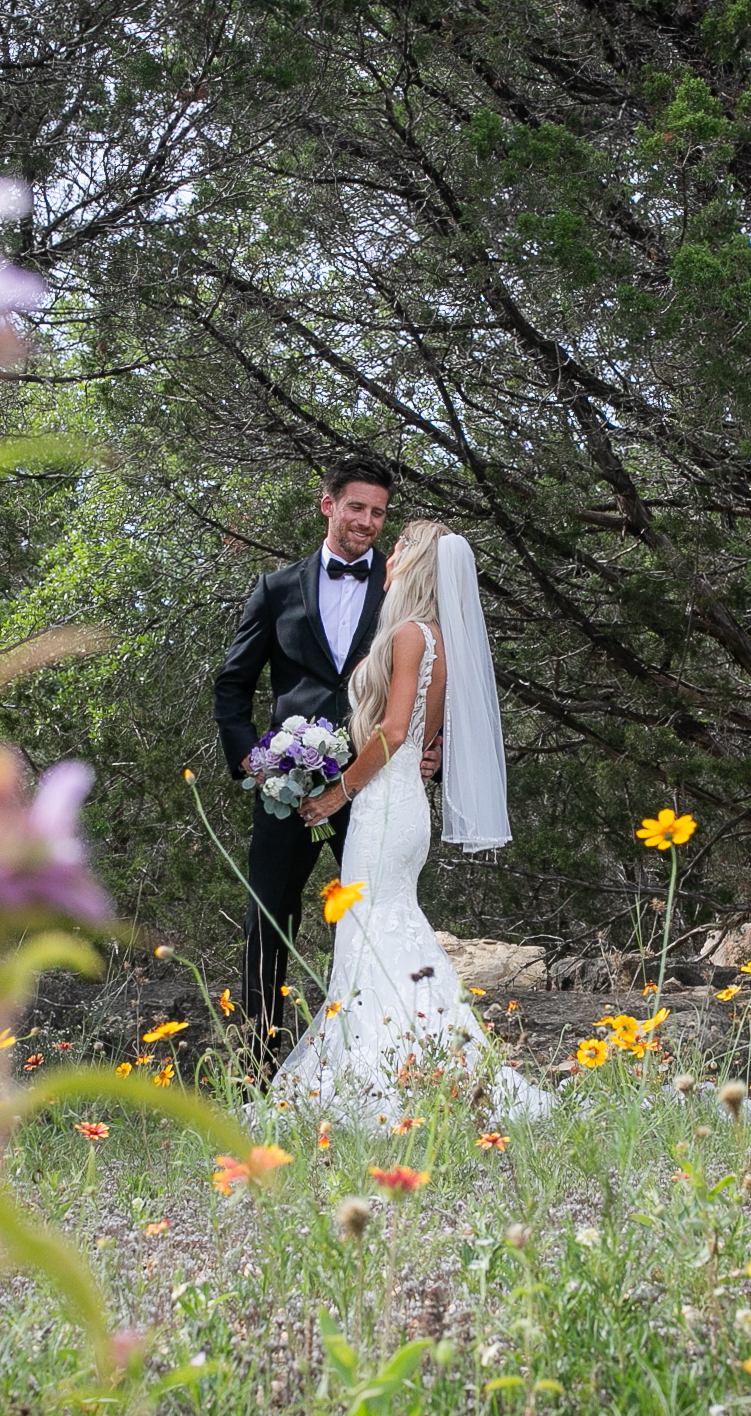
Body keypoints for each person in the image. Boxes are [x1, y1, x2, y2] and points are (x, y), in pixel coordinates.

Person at [279, 521, 552, 1123]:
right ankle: (421, 1063)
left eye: (401, 544)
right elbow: (423, 742)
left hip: (381, 805)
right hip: (405, 803)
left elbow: (396, 731)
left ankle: (383, 1077)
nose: (391, 552)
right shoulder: (439, 640)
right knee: (385, 932)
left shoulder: (407, 634)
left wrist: (336, 793)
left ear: (419, 562)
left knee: (371, 933)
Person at [213, 457, 435, 1070]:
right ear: (328, 505)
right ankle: (259, 1069)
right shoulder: (277, 589)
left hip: (374, 784)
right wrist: (253, 762)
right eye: (356, 507)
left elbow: (424, 681)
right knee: (269, 919)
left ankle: (360, 1068)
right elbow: (232, 685)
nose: (367, 521)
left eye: (378, 512)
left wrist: (427, 747)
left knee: (369, 923)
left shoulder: (399, 593)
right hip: (288, 785)